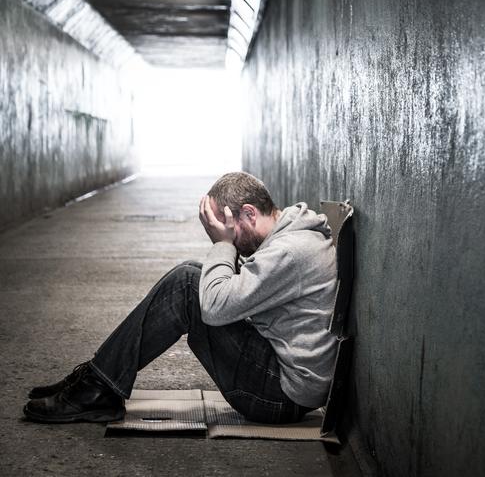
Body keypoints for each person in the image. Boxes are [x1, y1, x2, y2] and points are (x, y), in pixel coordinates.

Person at [23, 172, 339, 425]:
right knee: (192, 273)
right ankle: (96, 379)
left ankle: (96, 389)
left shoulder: (289, 251)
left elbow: (214, 308)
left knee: (188, 285)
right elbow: (235, 289)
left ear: (248, 214)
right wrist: (227, 243)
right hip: (280, 376)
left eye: (225, 227)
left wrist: (224, 245)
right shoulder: (288, 236)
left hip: (279, 395)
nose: (225, 237)